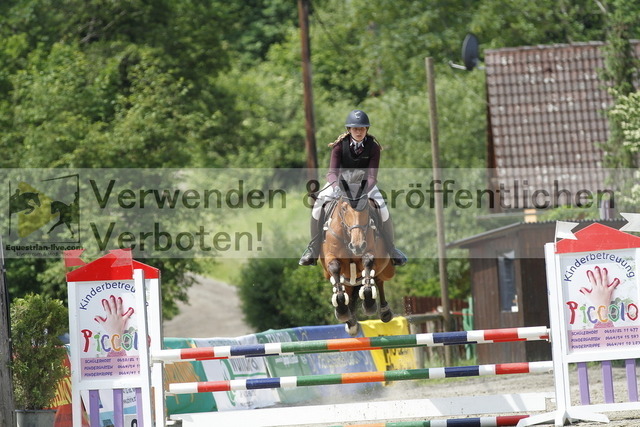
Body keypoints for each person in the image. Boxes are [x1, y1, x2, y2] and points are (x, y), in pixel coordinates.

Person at [299, 109, 408, 267]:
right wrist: (337, 188)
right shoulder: (339, 146)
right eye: (355, 129)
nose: (359, 132)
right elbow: (332, 173)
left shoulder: (373, 147)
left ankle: (392, 250)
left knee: (383, 208)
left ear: (366, 129)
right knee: (317, 206)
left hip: (364, 185)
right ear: (349, 129)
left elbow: (372, 177)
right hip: (340, 184)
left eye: (362, 128)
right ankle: (313, 249)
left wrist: (363, 191)